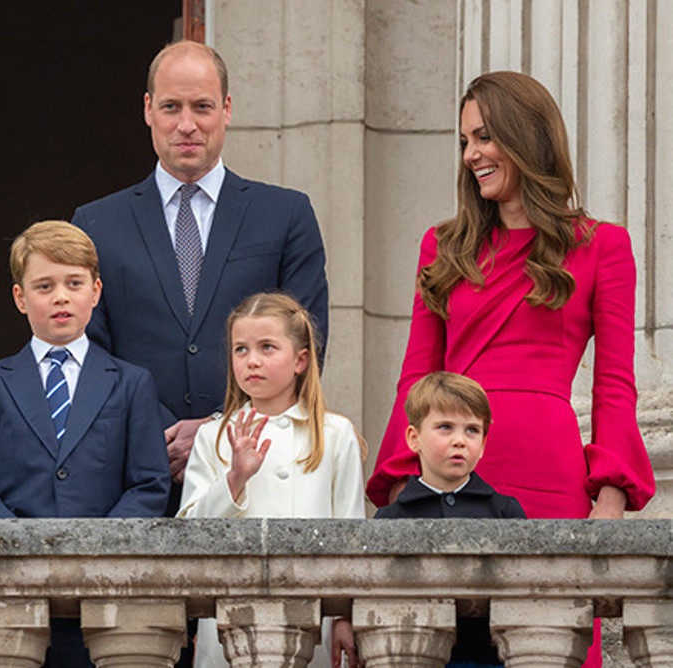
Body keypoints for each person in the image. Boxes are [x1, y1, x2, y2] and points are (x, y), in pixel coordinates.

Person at [366, 71, 656, 667]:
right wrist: (402, 477)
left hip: (549, 472)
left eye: (484, 138)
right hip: (453, 467)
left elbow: (615, 383)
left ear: (527, 138)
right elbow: (416, 376)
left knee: (547, 647)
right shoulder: (443, 246)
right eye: (465, 142)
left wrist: (610, 494)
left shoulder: (603, 246)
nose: (471, 155)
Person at [71, 40, 329, 516]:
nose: (186, 124)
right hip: (133, 481)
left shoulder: (286, 215)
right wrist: (156, 433)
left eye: (202, 107)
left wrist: (214, 431)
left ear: (227, 109)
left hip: (256, 477)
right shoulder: (95, 225)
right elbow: (89, 351)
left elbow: (306, 344)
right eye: (171, 107)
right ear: (148, 110)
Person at [0, 220, 171, 667]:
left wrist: (98, 544)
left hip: (104, 596)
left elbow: (149, 484)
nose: (61, 296)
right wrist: (14, 539)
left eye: (74, 283)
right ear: (20, 298)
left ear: (96, 292)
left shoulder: (131, 383)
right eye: (44, 286)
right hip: (12, 594)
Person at [177, 292, 366, 668]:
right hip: (228, 624)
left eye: (267, 347)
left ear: (300, 360)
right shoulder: (213, 435)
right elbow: (190, 536)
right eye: (241, 350)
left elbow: (352, 535)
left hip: (314, 621)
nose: (252, 361)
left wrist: (346, 615)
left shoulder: (335, 434)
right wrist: (235, 479)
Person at [374, 371, 525, 667]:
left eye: (472, 430)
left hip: (490, 658)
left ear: (483, 444)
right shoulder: (390, 518)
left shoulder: (505, 511)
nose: (460, 440)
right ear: (413, 438)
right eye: (445, 427)